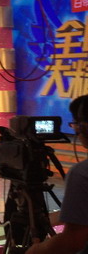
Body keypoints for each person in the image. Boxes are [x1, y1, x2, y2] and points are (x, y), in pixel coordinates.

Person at [25, 94, 88, 254]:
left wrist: (36, 250)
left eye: (76, 124)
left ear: (84, 128)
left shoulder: (81, 174)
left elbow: (73, 241)